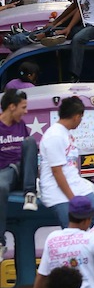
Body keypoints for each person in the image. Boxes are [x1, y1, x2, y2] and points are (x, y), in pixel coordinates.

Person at [37, 96, 94, 227]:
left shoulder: (66, 133)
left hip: (78, 186)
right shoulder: (55, 136)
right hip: (58, 193)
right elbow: (57, 172)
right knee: (74, 232)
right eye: (81, 117)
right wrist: (73, 200)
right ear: (76, 116)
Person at [0, 88, 38, 260]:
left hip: (23, 173)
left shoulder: (21, 125)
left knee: (30, 142)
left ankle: (30, 193)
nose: (26, 111)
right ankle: (0, 242)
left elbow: (30, 156)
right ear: (12, 107)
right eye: (23, 107)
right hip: (5, 174)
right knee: (1, 186)